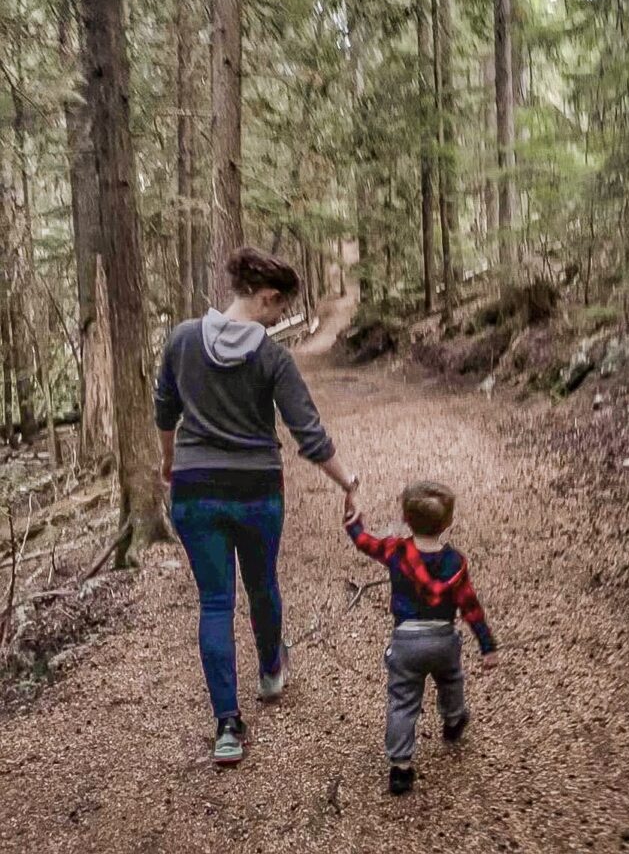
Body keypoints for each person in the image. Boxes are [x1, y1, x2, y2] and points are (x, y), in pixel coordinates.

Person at [155, 247, 360, 765]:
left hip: (195, 487)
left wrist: (169, 461)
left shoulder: (181, 340)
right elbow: (307, 432)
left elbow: (165, 408)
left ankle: (227, 726)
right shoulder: (271, 357)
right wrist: (347, 481)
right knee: (262, 582)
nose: (277, 318)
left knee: (215, 602)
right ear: (266, 297)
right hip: (256, 491)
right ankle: (271, 672)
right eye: (278, 308)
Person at [344, 480, 497, 795]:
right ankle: (454, 720)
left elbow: (363, 542)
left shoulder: (395, 551)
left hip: (406, 641)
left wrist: (353, 519)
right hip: (443, 639)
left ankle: (400, 768)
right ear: (448, 522)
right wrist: (487, 645)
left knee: (402, 702)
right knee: (451, 680)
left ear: (406, 519)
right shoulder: (456, 563)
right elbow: (470, 606)